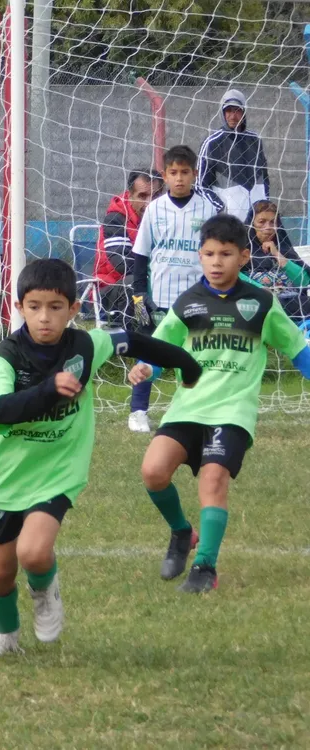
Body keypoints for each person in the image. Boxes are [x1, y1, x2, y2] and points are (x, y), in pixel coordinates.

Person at [0, 258, 200, 656]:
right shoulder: (5, 357)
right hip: (4, 476)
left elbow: (134, 340)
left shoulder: (85, 345)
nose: (45, 317)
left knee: (34, 552)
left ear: (74, 310)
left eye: (56, 307)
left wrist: (186, 363)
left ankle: (45, 592)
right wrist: (48, 390)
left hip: (58, 470)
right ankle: (6, 635)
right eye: (35, 307)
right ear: (19, 307)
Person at [129, 214, 310, 594]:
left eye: (225, 254)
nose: (215, 262)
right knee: (153, 472)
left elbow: (298, 350)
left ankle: (205, 569)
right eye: (208, 253)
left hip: (232, 412)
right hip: (188, 409)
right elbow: (163, 348)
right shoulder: (189, 302)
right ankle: (182, 532)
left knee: (213, 480)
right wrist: (147, 368)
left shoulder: (262, 303)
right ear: (199, 256)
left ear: (244, 257)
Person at [129, 145, 223, 433]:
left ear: (194, 174)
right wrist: (138, 292)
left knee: (199, 355)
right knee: (152, 353)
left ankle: (198, 409)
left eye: (185, 172)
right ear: (164, 176)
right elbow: (141, 254)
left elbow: (216, 253)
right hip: (160, 297)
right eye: (173, 173)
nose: (179, 178)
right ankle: (138, 412)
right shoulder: (155, 209)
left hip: (197, 298)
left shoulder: (208, 210)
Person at [94, 169, 163, 327]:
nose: (149, 203)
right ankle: (142, 330)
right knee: (134, 284)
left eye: (155, 196)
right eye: (142, 196)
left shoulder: (166, 217)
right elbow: (122, 264)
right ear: (129, 195)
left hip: (151, 281)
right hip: (111, 289)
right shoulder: (115, 219)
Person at [197, 89, 269, 222]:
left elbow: (264, 179)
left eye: (237, 110)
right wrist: (221, 209)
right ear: (222, 113)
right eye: (229, 110)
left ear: (244, 112)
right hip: (228, 224)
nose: (233, 116)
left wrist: (265, 206)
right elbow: (201, 186)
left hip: (257, 223)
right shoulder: (212, 143)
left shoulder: (255, 140)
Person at [245, 200, 310, 321]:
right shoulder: (242, 252)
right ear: (251, 224)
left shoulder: (284, 248)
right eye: (261, 222)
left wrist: (277, 255)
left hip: (290, 303)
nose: (268, 227)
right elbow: (234, 277)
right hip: (256, 303)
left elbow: (304, 281)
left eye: (272, 222)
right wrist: (262, 290)